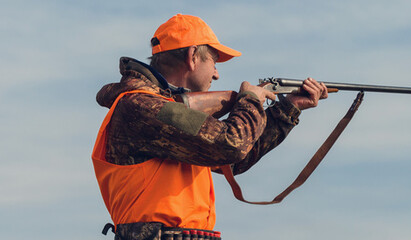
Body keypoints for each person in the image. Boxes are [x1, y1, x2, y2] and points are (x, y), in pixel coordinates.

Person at [91, 14, 328, 240]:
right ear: (193, 56)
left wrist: (288, 109)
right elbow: (231, 145)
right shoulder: (141, 106)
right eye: (214, 61)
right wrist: (250, 100)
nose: (216, 74)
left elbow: (235, 160)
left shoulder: (158, 111)